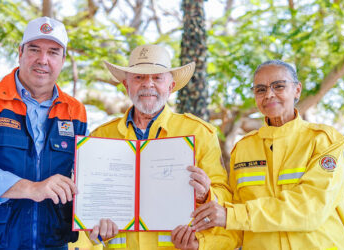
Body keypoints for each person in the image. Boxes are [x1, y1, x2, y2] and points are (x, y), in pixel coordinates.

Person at [74, 44, 238, 250]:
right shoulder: (100, 137)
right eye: (139, 78)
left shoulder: (200, 133)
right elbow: (89, 216)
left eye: (157, 77)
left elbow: (225, 199)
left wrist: (206, 194)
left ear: (170, 87)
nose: (148, 84)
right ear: (126, 85)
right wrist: (96, 232)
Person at [0, 17, 87, 249]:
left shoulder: (75, 111)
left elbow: (86, 178)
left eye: (53, 52)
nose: (42, 60)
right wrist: (32, 188)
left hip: (52, 243)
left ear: (63, 60)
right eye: (34, 49)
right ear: (20, 52)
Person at [190, 60, 344, 249]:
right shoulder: (243, 149)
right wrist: (202, 245)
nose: (269, 94)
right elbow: (235, 227)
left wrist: (232, 215)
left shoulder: (323, 141)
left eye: (279, 86)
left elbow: (309, 209)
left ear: (297, 90)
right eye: (260, 89)